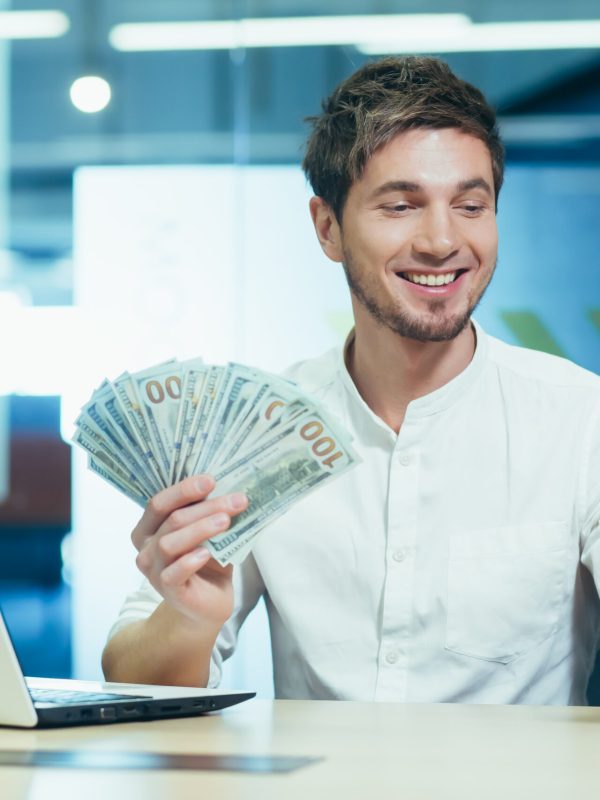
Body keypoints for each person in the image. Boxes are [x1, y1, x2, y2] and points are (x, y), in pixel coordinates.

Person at [102, 56, 600, 704]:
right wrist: (189, 618)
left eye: (471, 205)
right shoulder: (256, 435)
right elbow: (130, 676)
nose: (442, 240)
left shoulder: (580, 419)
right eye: (401, 205)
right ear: (327, 227)